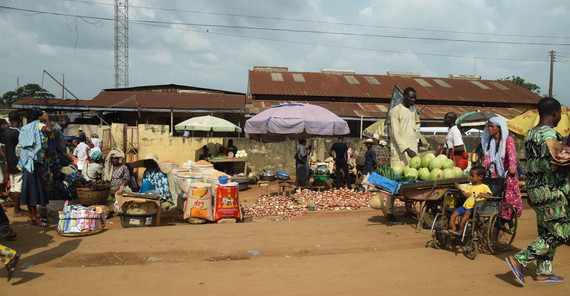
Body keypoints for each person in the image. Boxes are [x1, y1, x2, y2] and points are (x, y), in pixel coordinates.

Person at [506, 97, 570, 285]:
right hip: (551, 190)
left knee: (546, 231)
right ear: (555, 114)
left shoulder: (530, 135)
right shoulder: (550, 135)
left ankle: (543, 271)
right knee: (561, 233)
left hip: (535, 189)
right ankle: (520, 259)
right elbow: (555, 164)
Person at [482, 116, 522, 238]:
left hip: (507, 175)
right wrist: (485, 163)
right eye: (488, 126)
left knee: (507, 200)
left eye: (492, 126)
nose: (489, 128)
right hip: (495, 174)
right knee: (494, 198)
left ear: (499, 128)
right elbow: (488, 156)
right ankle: (499, 223)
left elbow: (512, 155)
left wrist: (512, 167)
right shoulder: (490, 141)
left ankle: (505, 223)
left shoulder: (508, 140)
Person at [386, 87, 420, 222]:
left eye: (414, 98)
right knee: (395, 181)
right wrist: (406, 148)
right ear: (404, 97)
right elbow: (395, 133)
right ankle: (389, 210)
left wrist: (416, 136)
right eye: (411, 97)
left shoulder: (413, 110)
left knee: (410, 180)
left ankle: (408, 208)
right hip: (399, 152)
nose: (413, 100)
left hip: (413, 149)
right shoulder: (395, 111)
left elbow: (417, 123)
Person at [17, 108, 51, 227]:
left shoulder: (25, 128)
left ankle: (32, 216)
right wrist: (47, 119)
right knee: (34, 191)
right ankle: (34, 217)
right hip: (34, 163)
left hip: (27, 162)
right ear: (38, 116)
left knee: (30, 191)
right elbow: (48, 130)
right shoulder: (38, 125)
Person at [443, 166, 492, 235]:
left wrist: (484, 195)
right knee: (454, 214)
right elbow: (467, 195)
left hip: (474, 207)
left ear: (480, 177)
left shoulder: (484, 187)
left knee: (465, 217)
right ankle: (453, 228)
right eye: (470, 175)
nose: (470, 177)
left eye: (472, 176)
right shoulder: (469, 186)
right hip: (465, 206)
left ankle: (460, 230)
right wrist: (460, 189)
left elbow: (490, 195)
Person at [2, 112, 25, 216]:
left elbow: (2, 148)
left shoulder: (5, 132)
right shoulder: (19, 133)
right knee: (18, 186)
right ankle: (17, 209)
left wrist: (6, 157)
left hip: (9, 161)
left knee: (14, 184)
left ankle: (17, 208)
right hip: (18, 162)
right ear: (19, 120)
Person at [0, 119, 9, 196]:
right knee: (2, 178)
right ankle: (2, 196)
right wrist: (6, 158)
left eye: (6, 124)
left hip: (3, 160)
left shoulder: (5, 134)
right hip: (2, 160)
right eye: (4, 125)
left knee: (4, 178)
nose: (6, 126)